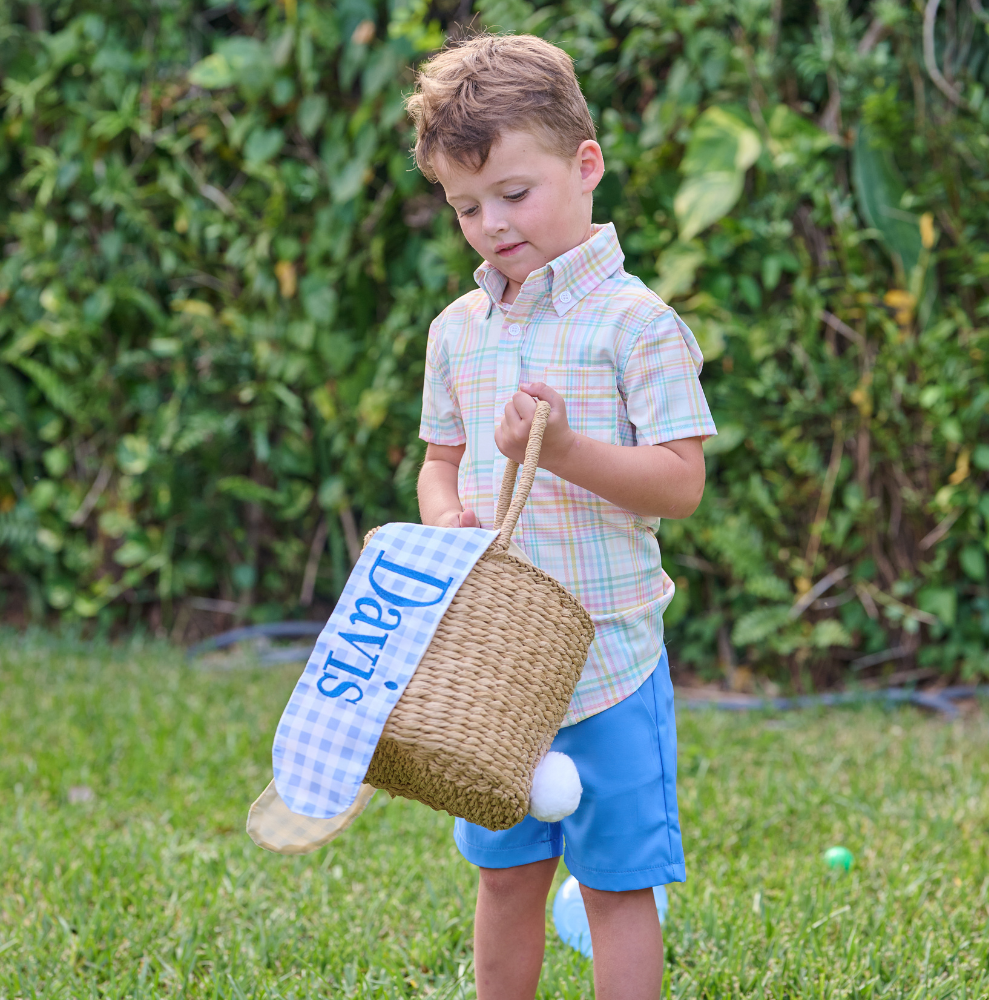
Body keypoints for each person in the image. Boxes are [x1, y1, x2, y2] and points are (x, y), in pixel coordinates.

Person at [409, 33, 717, 1000]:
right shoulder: (458, 332)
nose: (491, 224)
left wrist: (572, 450)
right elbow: (438, 463)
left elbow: (680, 482)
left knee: (620, 883)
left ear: (585, 166)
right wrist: (448, 515)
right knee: (504, 876)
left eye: (513, 192)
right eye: (466, 206)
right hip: (496, 671)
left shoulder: (637, 324)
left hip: (611, 661)